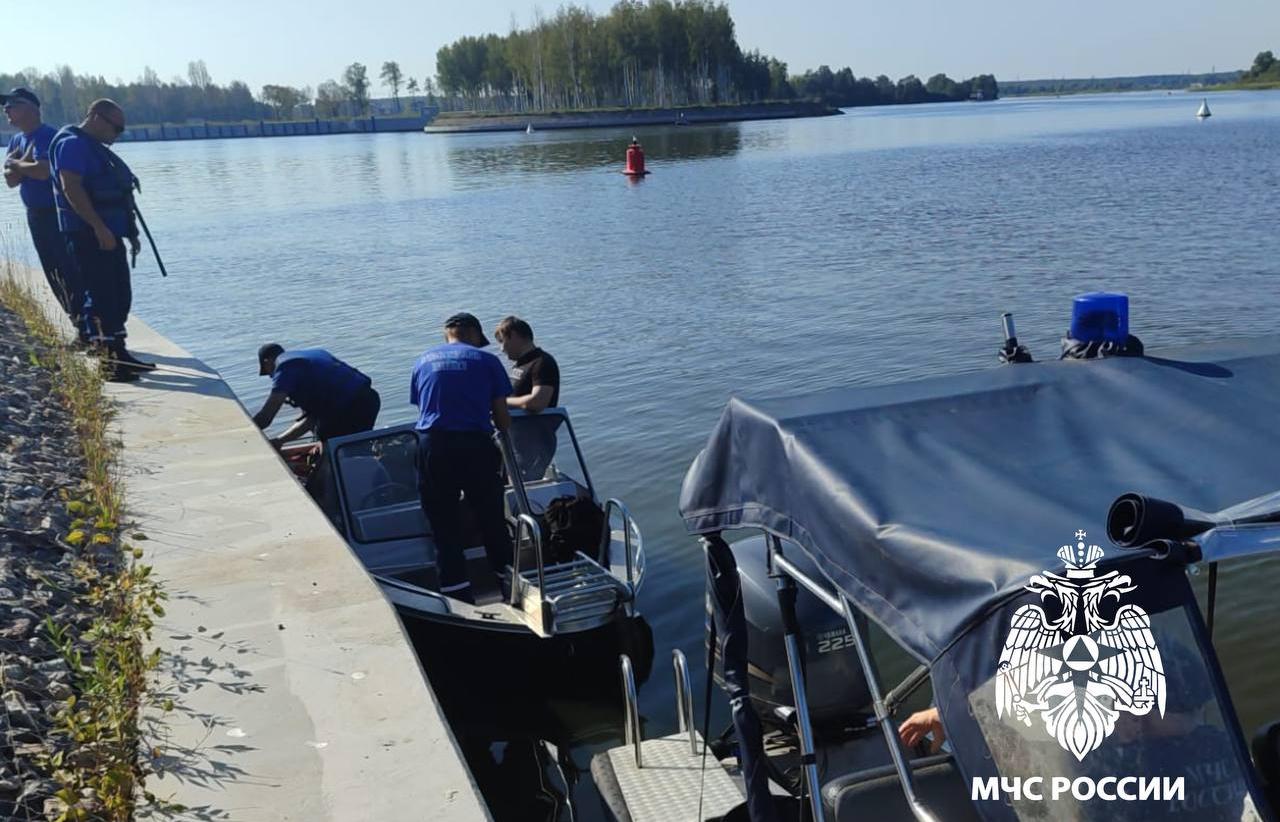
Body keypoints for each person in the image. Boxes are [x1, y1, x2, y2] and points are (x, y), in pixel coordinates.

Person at [410, 313, 514, 603]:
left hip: (433, 447)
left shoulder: (422, 361)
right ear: (471, 333)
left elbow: (424, 407)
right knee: (492, 520)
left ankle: (456, 598)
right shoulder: (487, 361)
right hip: (474, 446)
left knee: (443, 526)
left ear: (448, 334)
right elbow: (502, 418)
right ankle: (509, 588)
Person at [49, 99, 150, 380]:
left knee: (119, 294)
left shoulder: (92, 147)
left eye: (121, 130)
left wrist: (130, 233)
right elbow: (72, 187)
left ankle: (120, 352)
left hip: (109, 232)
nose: (116, 135)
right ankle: (109, 361)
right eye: (115, 128)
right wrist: (98, 227)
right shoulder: (73, 145)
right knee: (102, 294)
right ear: (96, 117)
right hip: (88, 234)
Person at [2, 88, 82, 335]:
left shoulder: (49, 136)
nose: (7, 109)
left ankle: (91, 329)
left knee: (70, 270)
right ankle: (78, 326)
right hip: (35, 215)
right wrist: (22, 165)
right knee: (53, 271)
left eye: (13, 104)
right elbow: (10, 179)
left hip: (57, 214)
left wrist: (17, 164)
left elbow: (43, 171)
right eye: (5, 106)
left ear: (33, 109)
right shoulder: (16, 141)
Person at [252, 343, 381, 446]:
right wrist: (280, 441)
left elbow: (266, 417)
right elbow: (311, 420)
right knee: (356, 447)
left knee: (330, 448)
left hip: (349, 408)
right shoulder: (313, 356)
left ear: (267, 361)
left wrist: (244, 435)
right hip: (370, 400)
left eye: (268, 373)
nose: (271, 376)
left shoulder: (285, 368)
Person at [494, 316, 560, 412]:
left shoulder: (542, 362)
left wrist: (501, 402)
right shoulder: (520, 365)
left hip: (535, 425)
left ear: (513, 336)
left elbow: (537, 402)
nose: (502, 349)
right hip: (515, 424)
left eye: (502, 341)